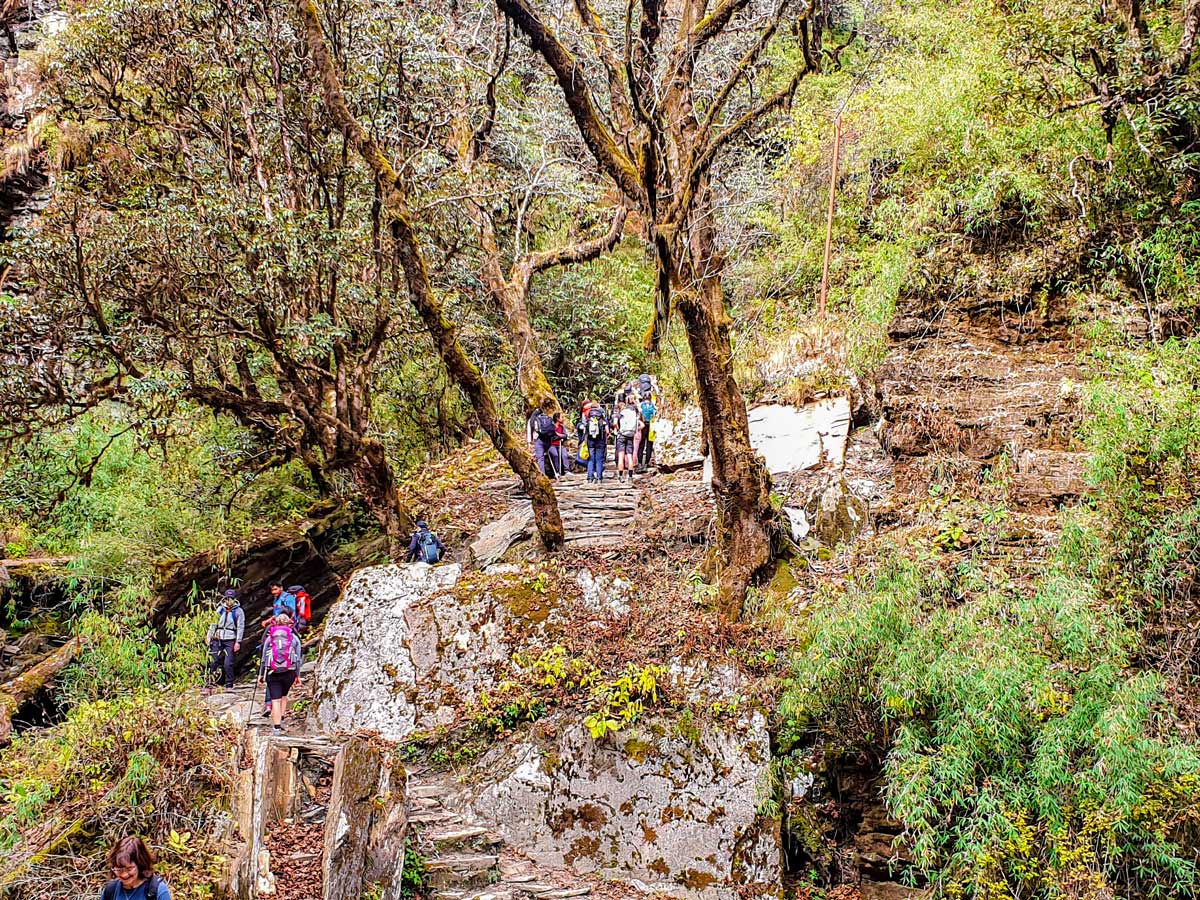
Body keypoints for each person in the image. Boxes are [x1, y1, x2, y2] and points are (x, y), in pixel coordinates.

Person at [258, 613, 302, 734]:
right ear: (289, 624)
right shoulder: (294, 638)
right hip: (289, 672)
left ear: (275, 623)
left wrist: (261, 674)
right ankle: (281, 719)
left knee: (275, 700)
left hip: (273, 672)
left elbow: (263, 658)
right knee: (284, 696)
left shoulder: (270, 638)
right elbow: (298, 659)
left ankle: (276, 727)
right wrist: (298, 676)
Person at [101, 836, 171, 900]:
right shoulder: (110, 891)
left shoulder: (157, 891)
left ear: (140, 865)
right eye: (119, 870)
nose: (124, 874)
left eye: (129, 869)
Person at [203, 589, 243, 694]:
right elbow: (213, 624)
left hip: (230, 639)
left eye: (231, 599)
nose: (229, 600)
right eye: (227, 598)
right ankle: (208, 684)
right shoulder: (220, 610)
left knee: (228, 663)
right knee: (213, 661)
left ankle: (229, 684)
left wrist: (238, 641)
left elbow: (240, 627)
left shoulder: (238, 611)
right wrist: (209, 636)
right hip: (218, 638)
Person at [528, 401, 557, 475]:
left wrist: (529, 443)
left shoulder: (532, 419)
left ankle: (543, 475)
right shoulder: (547, 418)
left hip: (539, 440)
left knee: (540, 459)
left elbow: (530, 431)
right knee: (554, 455)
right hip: (548, 441)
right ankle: (557, 472)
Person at [616, 398, 640, 480]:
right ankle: (630, 476)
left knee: (621, 456)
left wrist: (618, 430)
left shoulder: (623, 412)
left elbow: (615, 422)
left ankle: (620, 476)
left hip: (622, 435)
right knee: (630, 456)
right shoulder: (635, 413)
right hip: (630, 435)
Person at [584, 400, 608, 482]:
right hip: (600, 440)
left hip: (590, 440)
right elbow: (607, 431)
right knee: (599, 459)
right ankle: (599, 478)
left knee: (591, 458)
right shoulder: (602, 418)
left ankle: (590, 477)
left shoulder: (588, 417)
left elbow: (584, 429)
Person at [637, 393, 658, 472]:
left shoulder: (640, 406)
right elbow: (656, 415)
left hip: (642, 426)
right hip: (651, 426)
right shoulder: (653, 406)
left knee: (641, 445)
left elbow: (638, 415)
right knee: (649, 445)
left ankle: (639, 464)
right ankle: (646, 464)